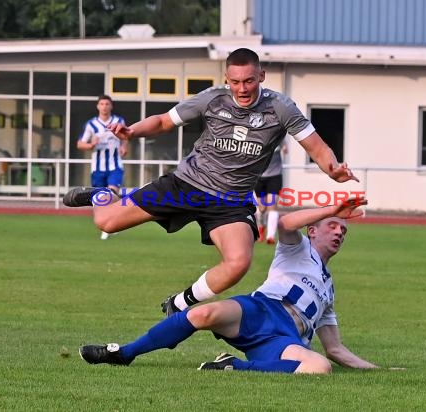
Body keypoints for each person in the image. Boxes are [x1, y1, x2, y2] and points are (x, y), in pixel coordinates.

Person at [63, 48, 358, 315]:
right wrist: (131, 131)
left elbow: (316, 146)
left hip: (231, 201)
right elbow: (164, 121)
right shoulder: (212, 98)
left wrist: (332, 169)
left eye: (249, 81)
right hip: (186, 185)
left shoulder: (280, 108)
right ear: (226, 78)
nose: (242, 89)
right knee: (107, 223)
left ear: (261, 76)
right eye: (236, 81)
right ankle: (102, 194)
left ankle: (179, 303)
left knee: (239, 262)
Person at [78, 197, 381, 374]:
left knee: (319, 368)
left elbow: (335, 350)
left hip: (282, 338)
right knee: (202, 315)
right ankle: (124, 353)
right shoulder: (298, 248)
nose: (339, 231)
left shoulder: (329, 289)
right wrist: (333, 207)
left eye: (343, 229)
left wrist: (380, 371)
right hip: (260, 308)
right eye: (333, 225)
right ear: (313, 231)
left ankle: (232, 365)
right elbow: (286, 224)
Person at [76, 94, 128, 240]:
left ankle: (109, 227)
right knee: (100, 199)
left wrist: (124, 146)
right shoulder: (91, 124)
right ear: (98, 106)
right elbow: (80, 144)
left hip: (115, 165)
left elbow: (125, 137)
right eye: (102, 104)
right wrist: (91, 145)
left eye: (107, 104)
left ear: (111, 106)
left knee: (112, 192)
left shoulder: (119, 121)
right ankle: (108, 224)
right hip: (98, 168)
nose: (104, 107)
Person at [254, 141, 287, 244]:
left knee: (272, 206)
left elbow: (285, 148)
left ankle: (270, 236)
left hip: (275, 176)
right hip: (259, 178)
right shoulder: (257, 138)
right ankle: (261, 227)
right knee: (262, 208)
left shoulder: (279, 137)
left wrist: (285, 148)